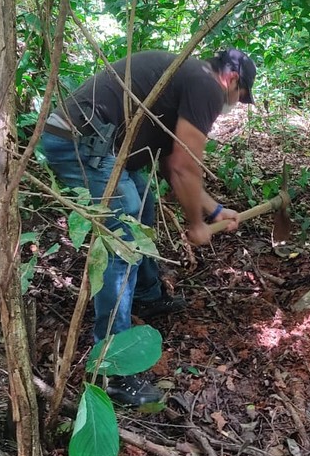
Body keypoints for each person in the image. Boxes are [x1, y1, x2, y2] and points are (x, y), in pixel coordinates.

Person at [39, 48, 256, 404]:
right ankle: (114, 371)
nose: (234, 104)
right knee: (122, 244)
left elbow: (174, 165)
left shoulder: (188, 73)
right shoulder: (207, 86)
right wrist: (196, 224)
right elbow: (184, 167)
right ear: (232, 80)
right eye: (241, 97)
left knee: (142, 202)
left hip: (92, 144)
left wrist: (214, 211)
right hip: (81, 144)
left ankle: (146, 295)